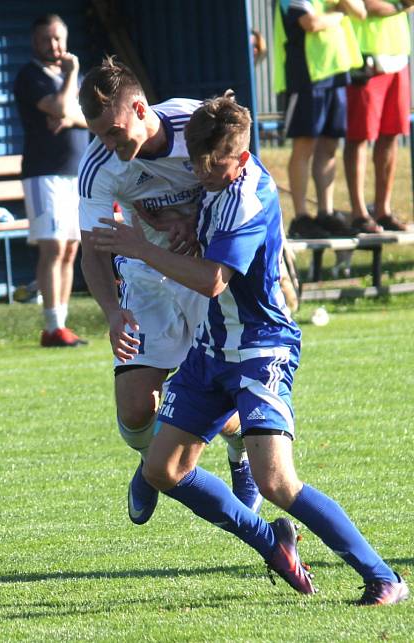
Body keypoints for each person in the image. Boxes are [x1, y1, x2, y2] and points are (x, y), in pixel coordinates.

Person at [90, 91, 408, 605]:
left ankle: (384, 576)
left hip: (261, 348)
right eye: (197, 163)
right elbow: (203, 226)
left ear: (242, 157)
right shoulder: (213, 181)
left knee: (277, 481)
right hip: (213, 348)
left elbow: (214, 280)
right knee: (162, 469)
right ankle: (271, 541)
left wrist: (140, 247)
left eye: (215, 165)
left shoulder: (250, 193)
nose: (204, 173)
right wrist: (183, 226)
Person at [77, 57, 262, 527]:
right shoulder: (99, 166)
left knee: (217, 391)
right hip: (142, 272)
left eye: (114, 131)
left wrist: (196, 223)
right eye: (98, 135)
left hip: (201, 271)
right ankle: (149, 463)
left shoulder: (195, 124)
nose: (108, 145)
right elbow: (94, 252)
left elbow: (242, 184)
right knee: (136, 408)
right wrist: (112, 312)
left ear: (141, 109)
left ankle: (239, 454)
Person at [13, 14, 88, 347]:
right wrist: (69, 83)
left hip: (75, 173)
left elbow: (90, 116)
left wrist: (68, 116)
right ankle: (50, 324)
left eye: (59, 38)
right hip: (44, 173)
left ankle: (63, 324)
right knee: (53, 246)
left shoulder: (76, 78)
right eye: (47, 39)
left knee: (71, 248)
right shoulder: (30, 77)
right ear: (35, 42)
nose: (55, 46)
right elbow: (58, 106)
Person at [275, 0, 367, 238]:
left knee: (330, 145)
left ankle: (325, 213)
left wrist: (342, 7)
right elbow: (311, 23)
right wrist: (339, 12)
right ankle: (301, 217)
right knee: (304, 145)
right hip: (306, 76)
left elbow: (361, 12)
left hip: (335, 74)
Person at [343, 0, 414, 232]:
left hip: (398, 56)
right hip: (365, 56)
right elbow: (366, 5)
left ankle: (383, 210)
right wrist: (400, 5)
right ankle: (359, 213)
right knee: (359, 136)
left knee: (391, 134)